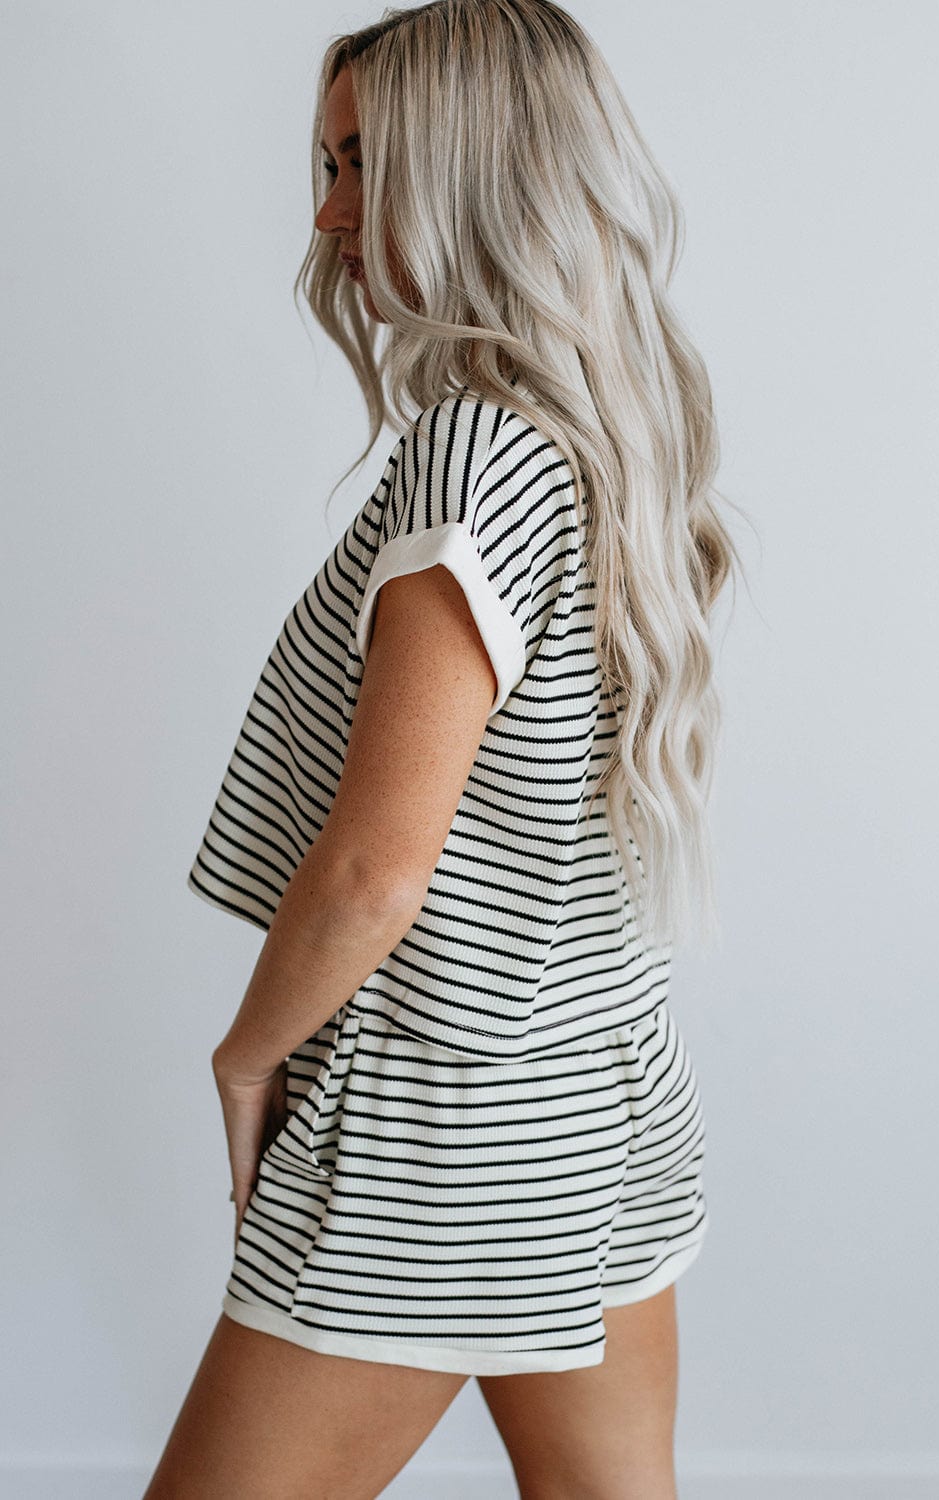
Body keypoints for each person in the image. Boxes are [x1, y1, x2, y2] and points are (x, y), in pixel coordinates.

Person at [143, 2, 740, 1495]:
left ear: (472, 167)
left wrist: (247, 1055)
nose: (328, 214)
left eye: (364, 163)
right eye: (328, 164)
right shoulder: (613, 432)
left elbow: (371, 871)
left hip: (440, 1127)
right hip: (598, 1087)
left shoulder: (471, 453)